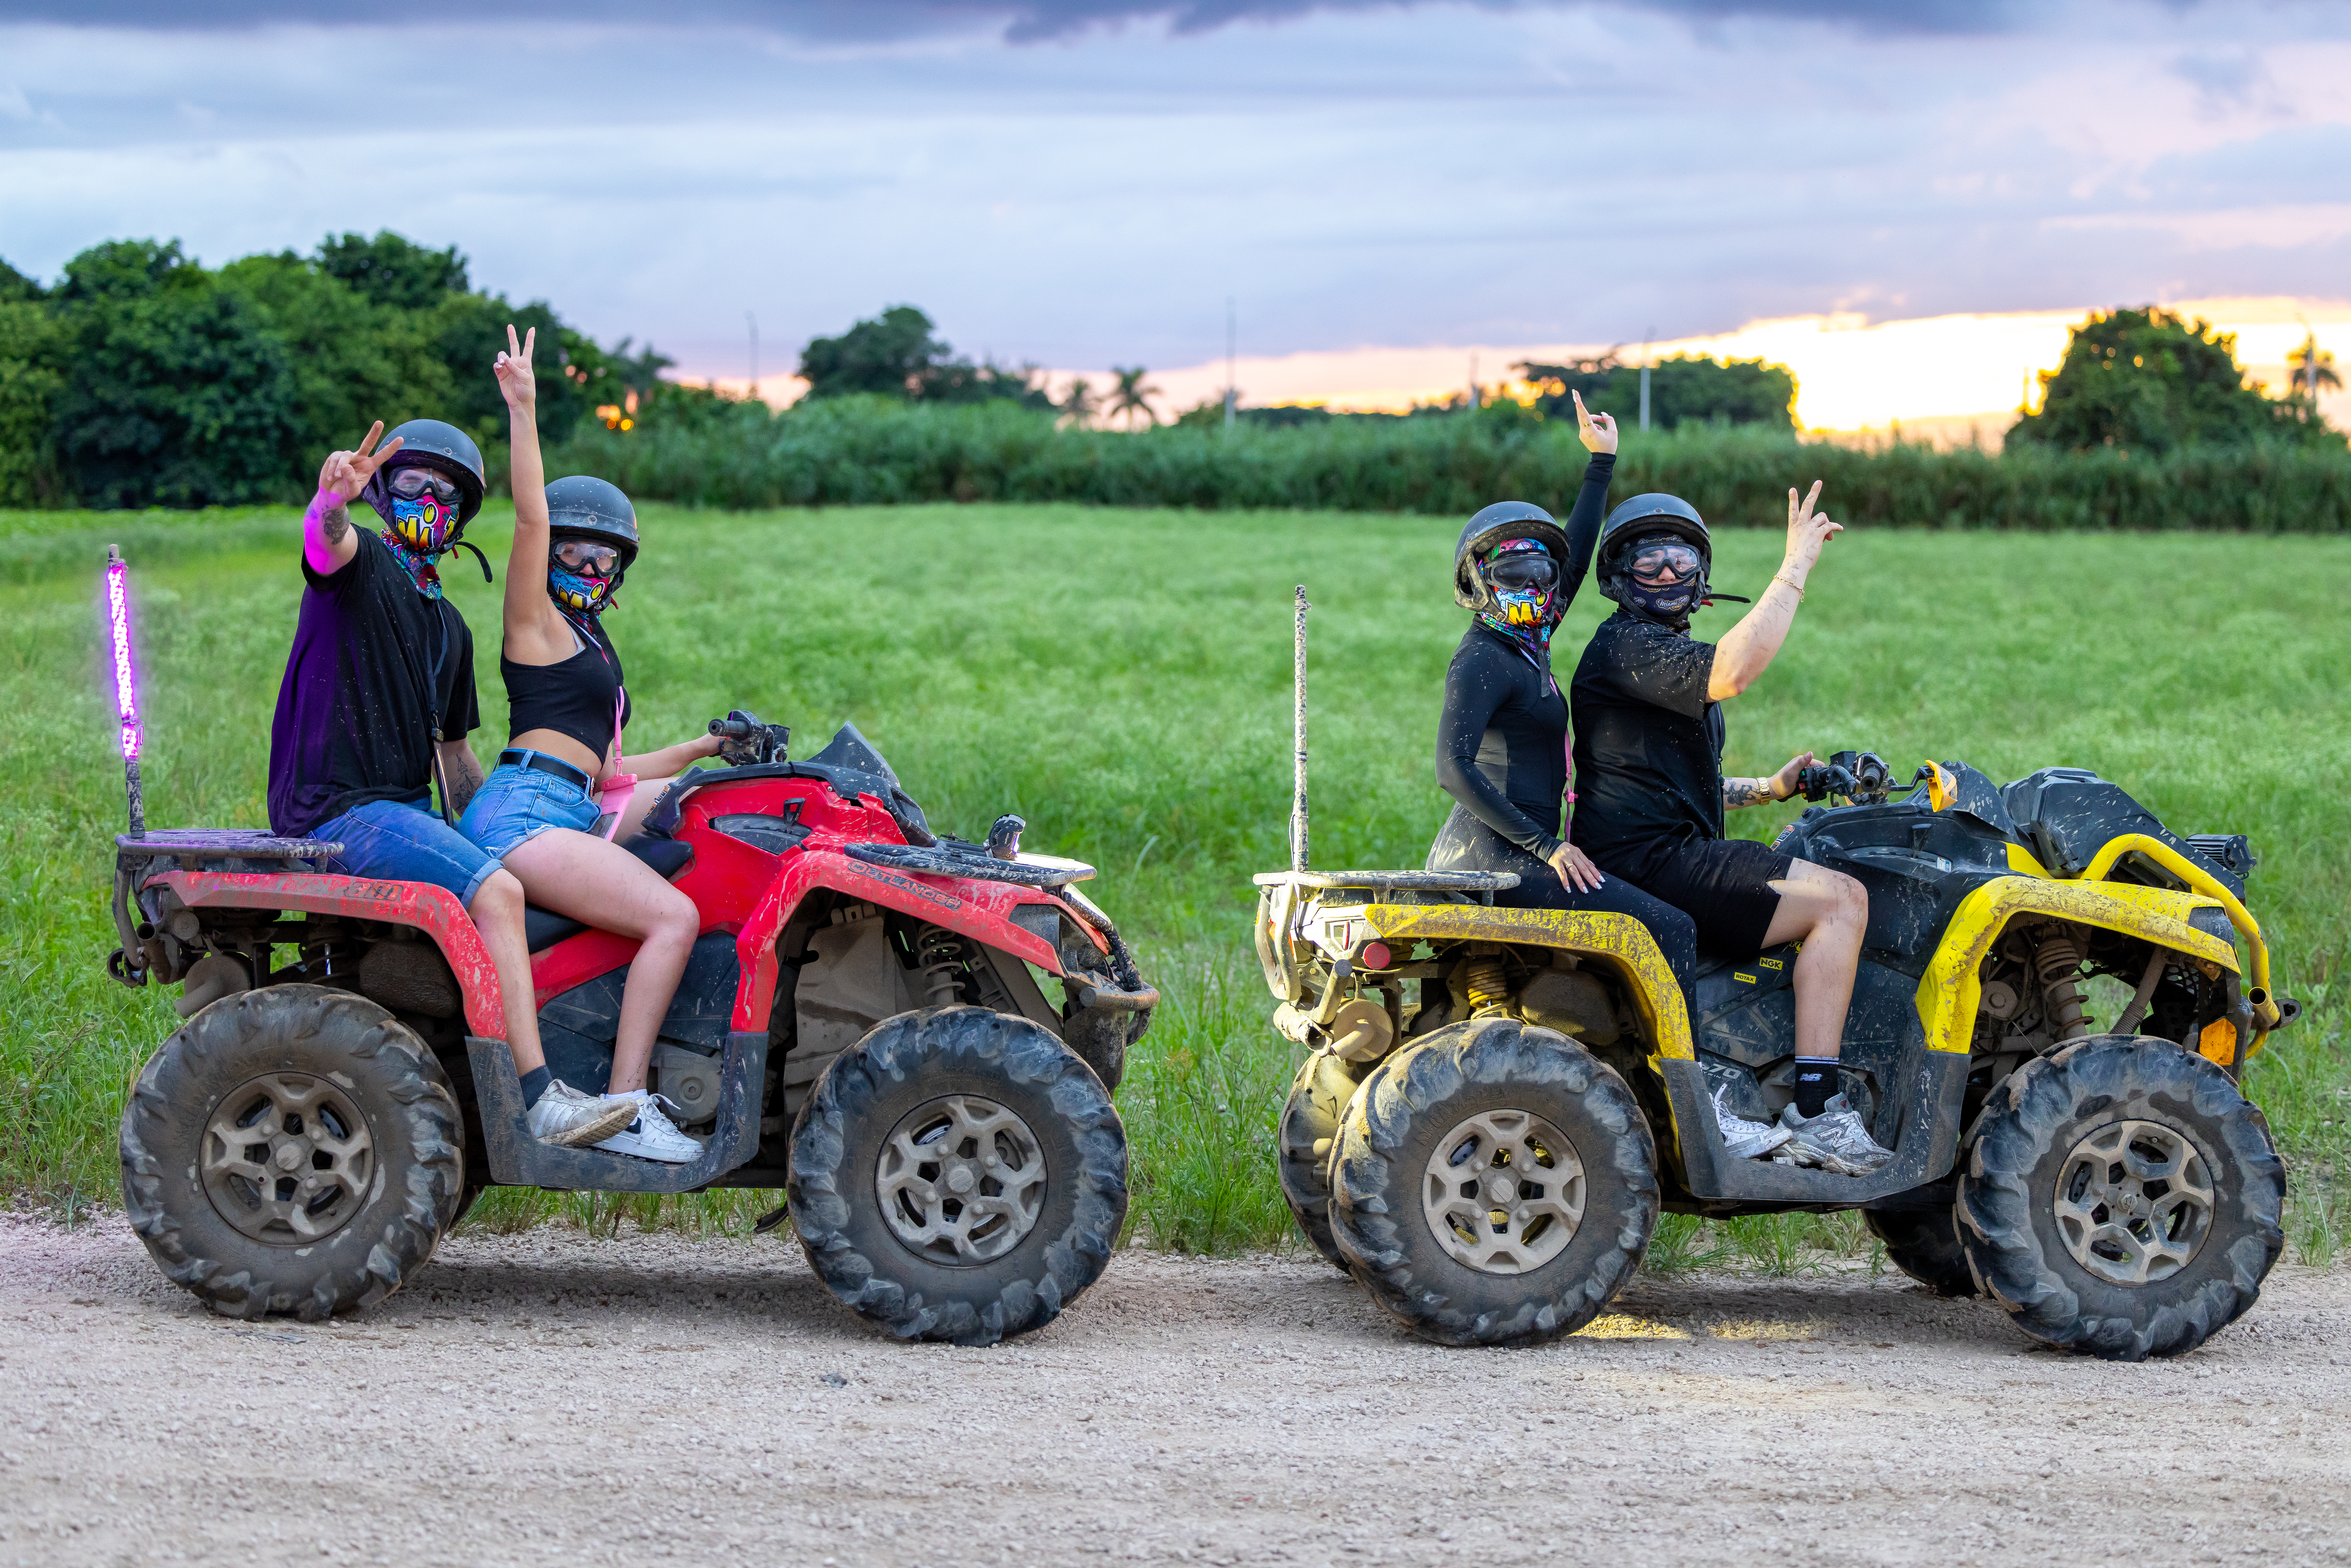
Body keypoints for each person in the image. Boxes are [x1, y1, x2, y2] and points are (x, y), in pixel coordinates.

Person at [268, 414, 640, 1151]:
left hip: (401, 809)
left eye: (445, 491)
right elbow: (325, 543)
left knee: (508, 880)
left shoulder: (450, 628)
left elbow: (454, 758)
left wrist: (493, 840)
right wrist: (328, 501)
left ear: (462, 511)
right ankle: (539, 1102)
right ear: (383, 492)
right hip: (337, 807)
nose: (428, 499)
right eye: (412, 483)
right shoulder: (363, 567)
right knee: (498, 893)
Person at [455, 326, 726, 1164]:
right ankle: (629, 1103)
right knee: (673, 918)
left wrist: (704, 749)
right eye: (575, 551)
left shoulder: (594, 645)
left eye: (603, 557)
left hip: (576, 799)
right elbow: (531, 515)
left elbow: (611, 773)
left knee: (713, 818)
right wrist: (524, 407)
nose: (587, 565)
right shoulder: (535, 623)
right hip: (525, 814)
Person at [1568, 480, 1890, 1176]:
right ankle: (1818, 1107)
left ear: (1701, 574)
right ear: (1619, 577)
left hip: (1661, 848)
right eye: (1649, 561)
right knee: (1843, 900)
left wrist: (1768, 789)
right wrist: (1796, 564)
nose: (1665, 574)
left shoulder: (1646, 651)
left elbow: (1672, 781)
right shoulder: (1627, 644)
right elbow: (1735, 670)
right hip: (1651, 862)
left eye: (1680, 560)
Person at [1424, 390, 1702, 1022]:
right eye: (1513, 574)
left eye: (1541, 575)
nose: (1532, 588)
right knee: (1674, 929)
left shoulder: (1530, 639)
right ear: (1479, 581)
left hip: (1514, 851)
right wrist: (1547, 846)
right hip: (1493, 855)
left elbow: (1571, 556)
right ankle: (1690, 1093)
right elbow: (1451, 766)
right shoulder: (1484, 657)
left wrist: (1601, 462)